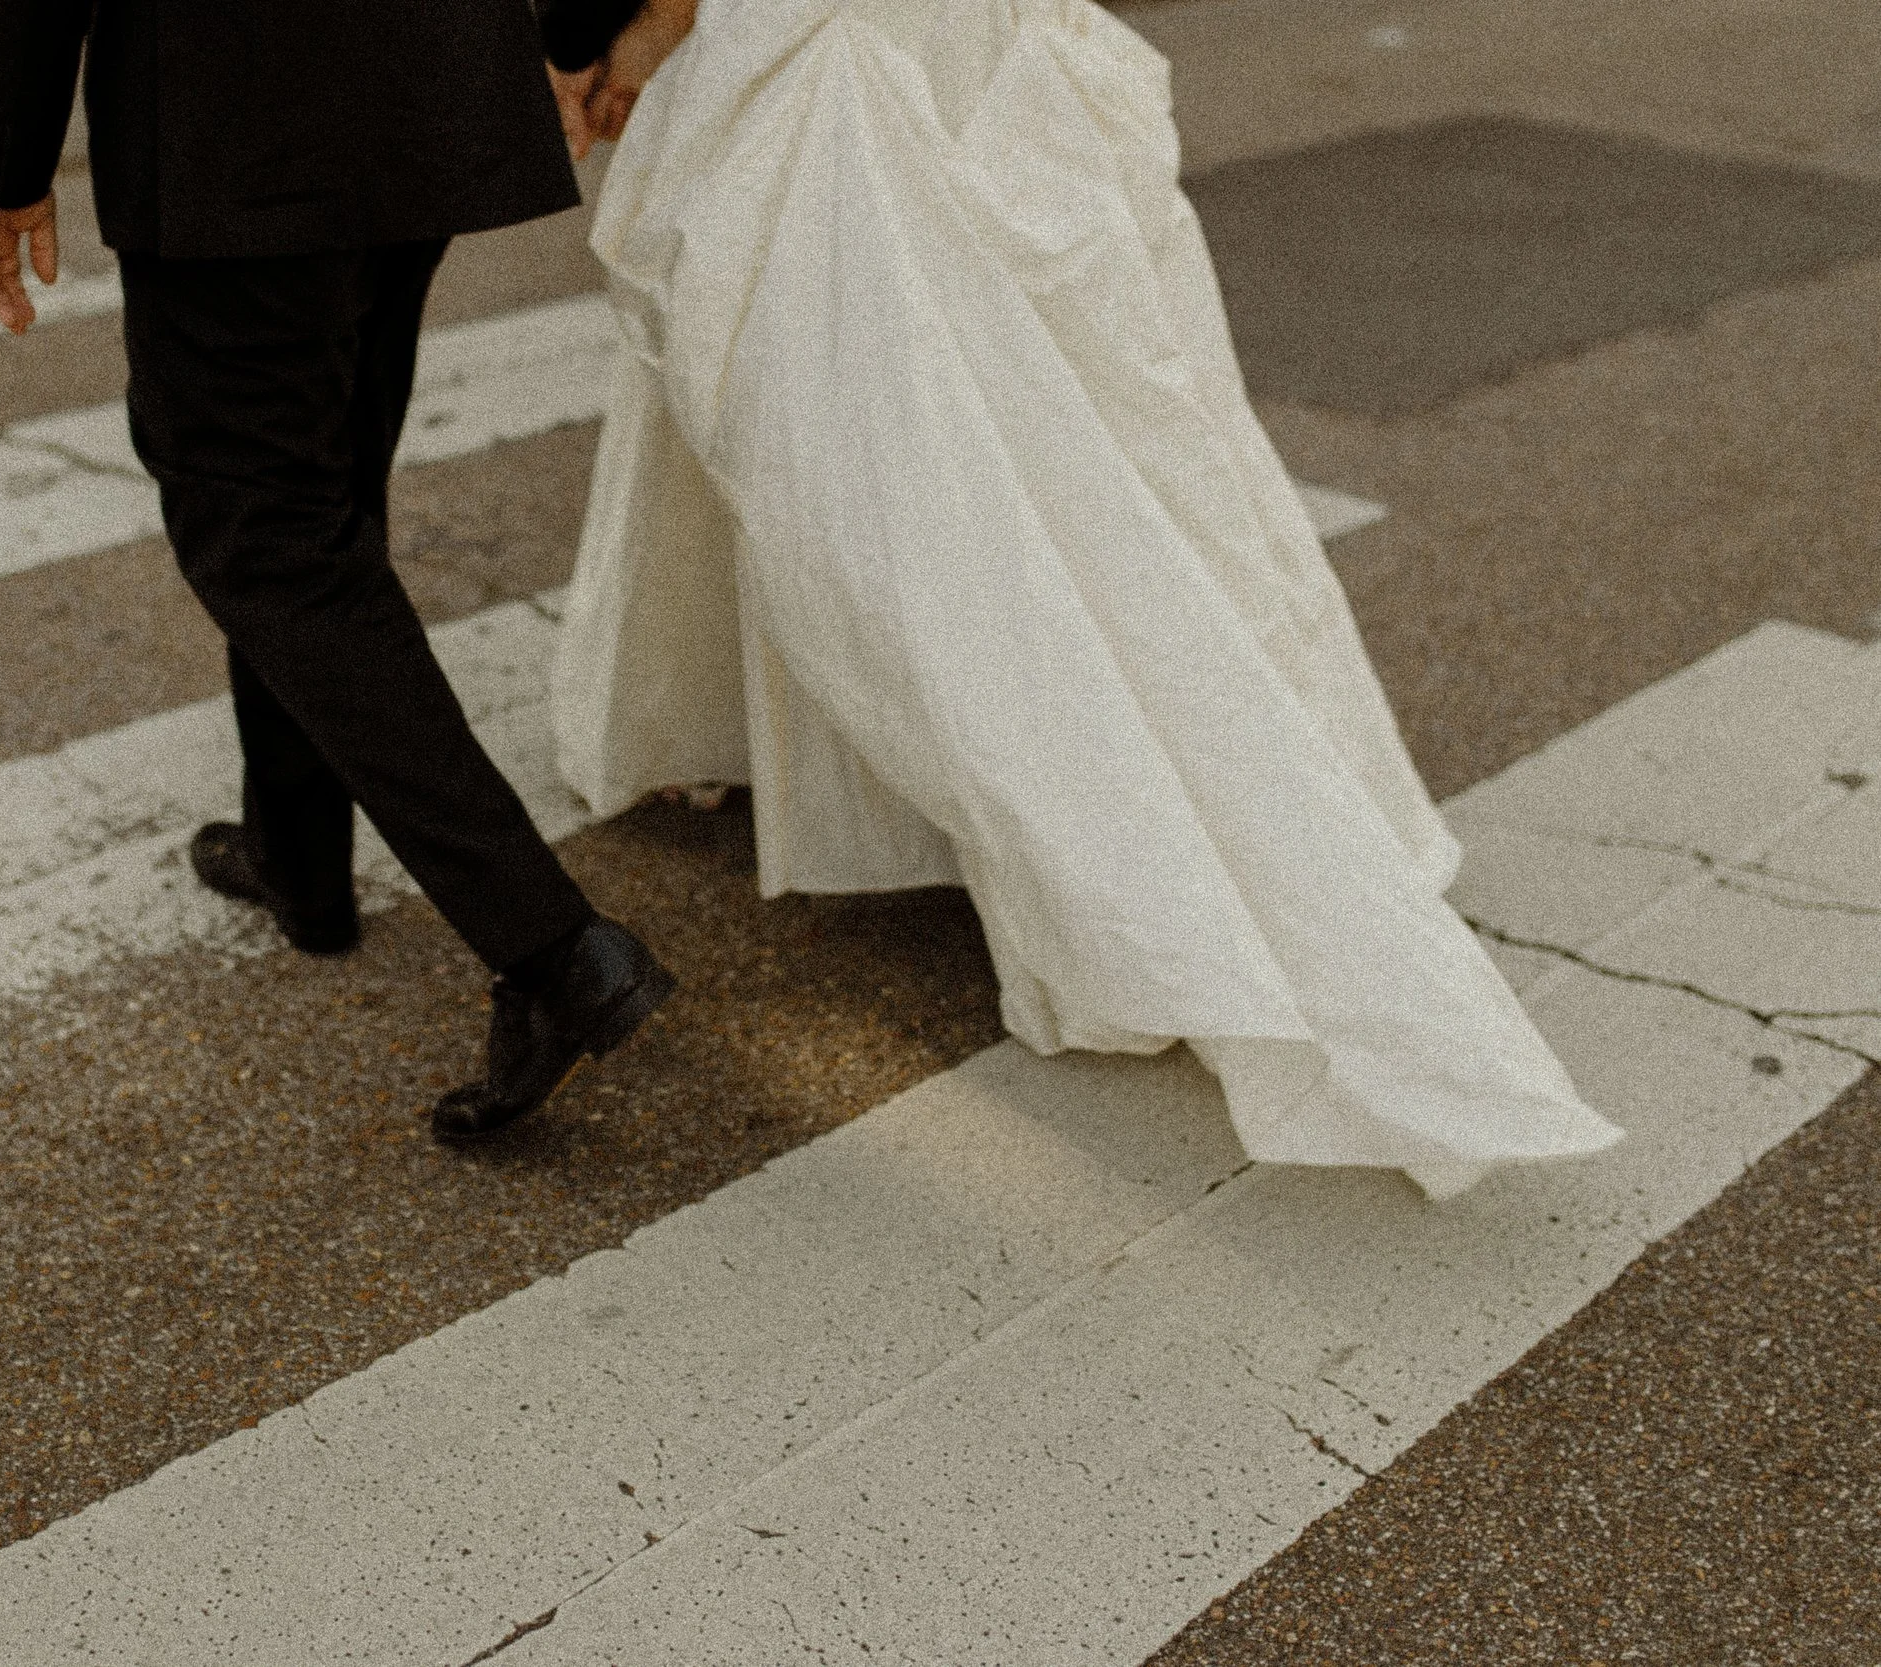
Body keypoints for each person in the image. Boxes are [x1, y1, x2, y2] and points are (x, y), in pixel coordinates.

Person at [541, 0, 1624, 1196]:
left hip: (828, 42)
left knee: (894, 474)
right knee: (1051, 436)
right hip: (959, 36)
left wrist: (601, 34)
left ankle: (1135, 875)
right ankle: (834, 746)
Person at [0, 0, 674, 1143]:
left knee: (267, 533)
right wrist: (582, 22)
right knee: (320, 495)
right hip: (422, 80)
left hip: (240, 104)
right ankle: (298, 856)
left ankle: (553, 950)